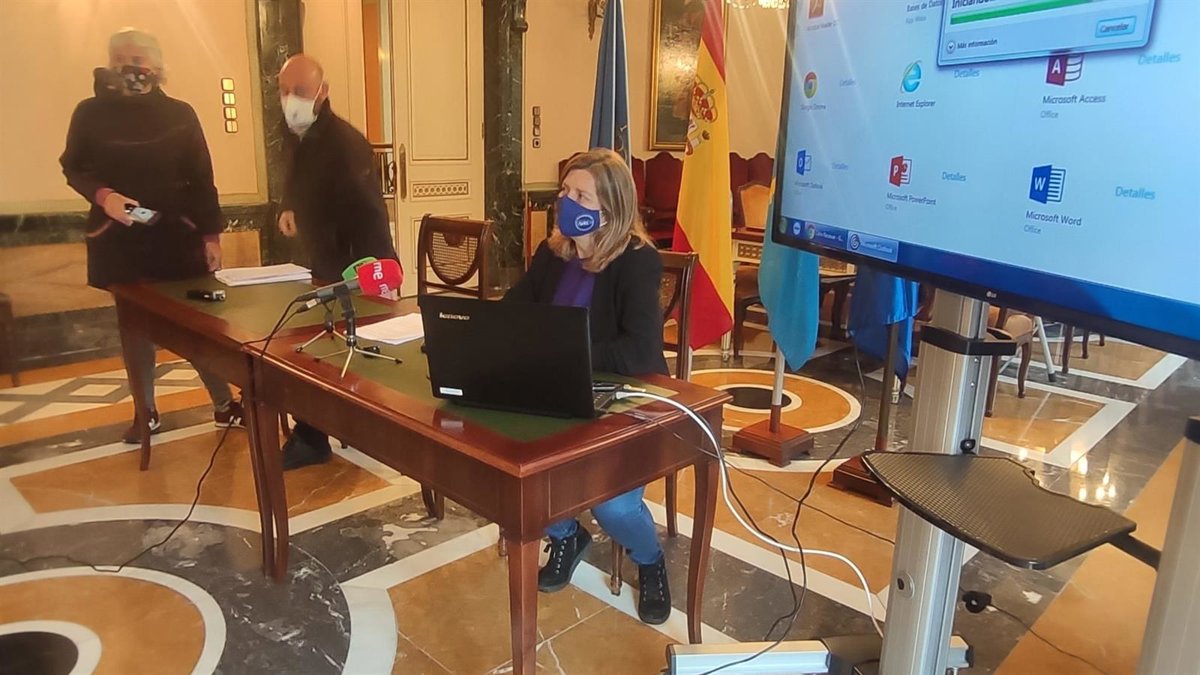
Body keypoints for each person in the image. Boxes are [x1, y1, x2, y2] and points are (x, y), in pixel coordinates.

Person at [505, 148, 672, 624]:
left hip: (624, 399)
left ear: (611, 209)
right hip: (558, 393)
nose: (567, 201)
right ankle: (565, 536)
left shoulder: (637, 261)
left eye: (582, 195)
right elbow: (515, 310)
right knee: (516, 467)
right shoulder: (552, 252)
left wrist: (563, 353)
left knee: (613, 504)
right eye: (565, 191)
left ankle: (649, 560)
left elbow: (639, 350)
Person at [60, 28, 242, 443]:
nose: (130, 67)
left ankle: (223, 404)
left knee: (198, 328)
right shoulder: (89, 113)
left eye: (138, 59)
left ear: (157, 66)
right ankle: (146, 414)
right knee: (135, 330)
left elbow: (202, 179)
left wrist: (211, 236)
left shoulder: (181, 114)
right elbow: (74, 166)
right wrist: (104, 197)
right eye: (120, 59)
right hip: (119, 239)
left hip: (177, 236)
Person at [275, 53, 400, 469]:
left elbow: (369, 214)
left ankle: (323, 432)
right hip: (323, 261)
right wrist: (290, 205)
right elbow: (298, 177)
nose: (290, 99)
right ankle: (314, 431)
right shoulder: (298, 131)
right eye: (284, 90)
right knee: (310, 350)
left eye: (300, 91)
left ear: (322, 92)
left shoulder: (345, 144)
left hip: (355, 266)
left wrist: (376, 275)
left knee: (344, 354)